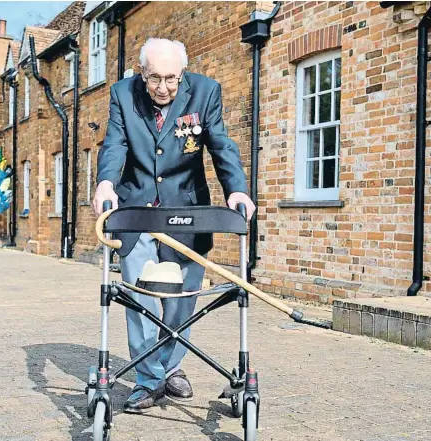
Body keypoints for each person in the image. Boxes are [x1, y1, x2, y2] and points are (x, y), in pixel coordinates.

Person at [93, 38, 255, 413]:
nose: (163, 87)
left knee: (183, 300)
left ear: (182, 74)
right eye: (154, 79)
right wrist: (105, 183)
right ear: (141, 72)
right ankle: (148, 380)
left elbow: (220, 144)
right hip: (137, 210)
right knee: (141, 298)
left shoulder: (206, 91)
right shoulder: (122, 94)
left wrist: (237, 191)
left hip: (188, 208)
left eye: (171, 79)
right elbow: (114, 144)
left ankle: (172, 367)